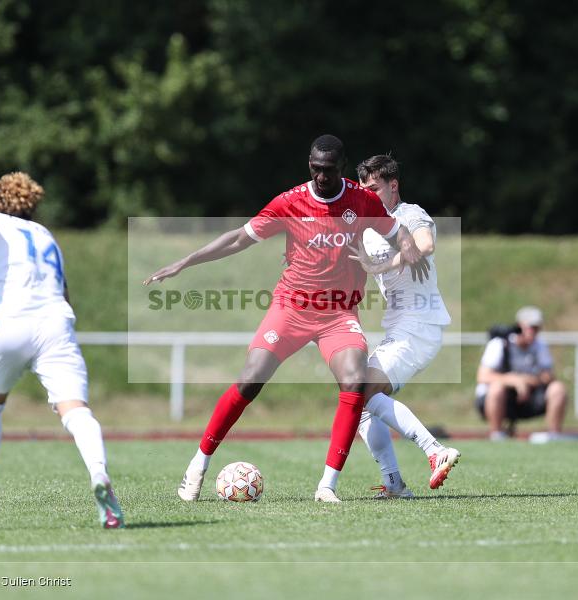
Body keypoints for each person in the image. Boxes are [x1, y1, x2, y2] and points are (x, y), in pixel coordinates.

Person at [145, 134, 428, 503]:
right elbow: (239, 238)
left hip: (338, 313)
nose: (321, 176)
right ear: (309, 164)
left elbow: (396, 229)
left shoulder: (362, 200)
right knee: (251, 379)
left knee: (354, 381)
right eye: (315, 168)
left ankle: (327, 486)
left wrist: (406, 243)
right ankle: (198, 464)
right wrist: (186, 261)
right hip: (291, 308)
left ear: (341, 168)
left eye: (328, 170)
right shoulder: (290, 202)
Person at [0, 172, 124, 528]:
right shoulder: (46, 236)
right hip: (56, 324)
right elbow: (61, 295)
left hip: (12, 323)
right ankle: (99, 474)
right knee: (76, 411)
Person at [348, 154, 460, 499]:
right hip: (400, 327)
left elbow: (424, 245)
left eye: (374, 188)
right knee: (357, 400)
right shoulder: (369, 227)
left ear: (393, 185)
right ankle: (394, 483)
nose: (368, 195)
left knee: (362, 391)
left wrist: (380, 266)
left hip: (419, 326)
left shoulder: (408, 214)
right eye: (364, 189)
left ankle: (435, 450)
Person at [475, 305, 568, 441]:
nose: (534, 332)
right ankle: (497, 434)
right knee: (496, 388)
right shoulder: (500, 344)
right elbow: (483, 376)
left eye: (537, 328)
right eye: (531, 327)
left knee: (558, 388)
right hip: (499, 398)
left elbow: (548, 376)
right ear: (519, 327)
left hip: (528, 397)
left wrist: (526, 381)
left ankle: (554, 435)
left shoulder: (540, 345)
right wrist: (513, 380)